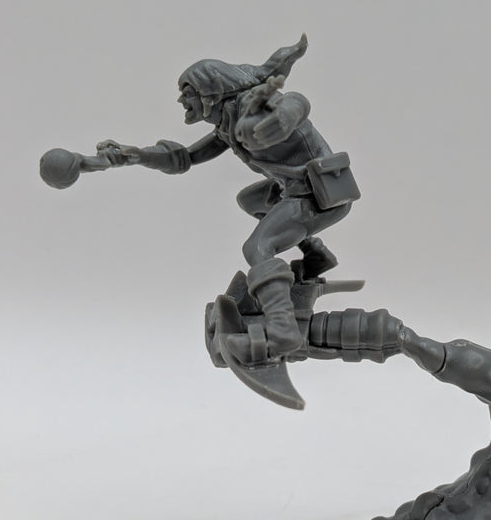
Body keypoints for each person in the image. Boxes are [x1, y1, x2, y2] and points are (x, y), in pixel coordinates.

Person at [97, 35, 358, 364]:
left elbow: (297, 102)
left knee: (257, 248)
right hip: (294, 191)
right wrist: (134, 155)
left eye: (189, 92)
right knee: (250, 200)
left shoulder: (253, 108)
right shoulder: (227, 125)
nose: (182, 100)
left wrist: (284, 118)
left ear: (211, 93)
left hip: (318, 195)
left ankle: (283, 329)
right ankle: (315, 254)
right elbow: (185, 158)